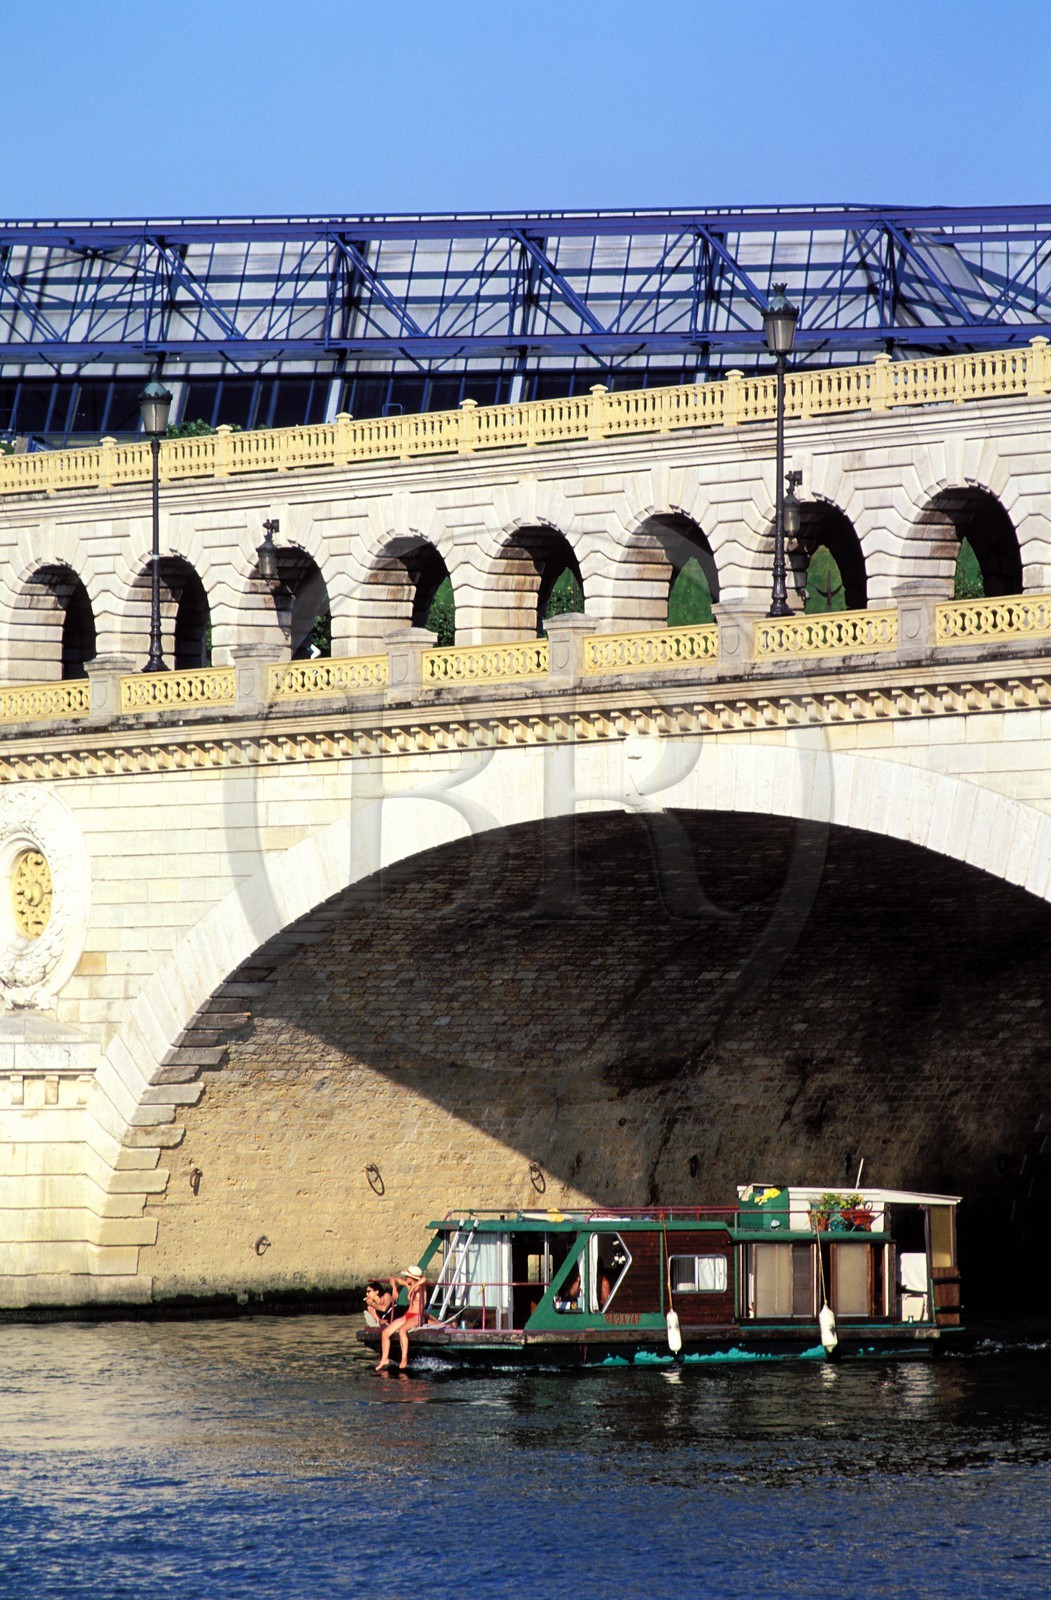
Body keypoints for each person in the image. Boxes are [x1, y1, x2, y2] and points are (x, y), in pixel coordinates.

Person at [375, 1265, 428, 1371]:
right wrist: (394, 1288)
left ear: (413, 1278)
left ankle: (404, 1358)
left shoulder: (422, 1286)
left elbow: (424, 1278)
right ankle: (384, 1359)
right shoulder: (408, 1284)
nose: (405, 1278)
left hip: (417, 1316)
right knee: (385, 1333)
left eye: (407, 1276)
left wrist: (414, 1287)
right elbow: (393, 1279)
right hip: (407, 1315)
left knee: (402, 1330)